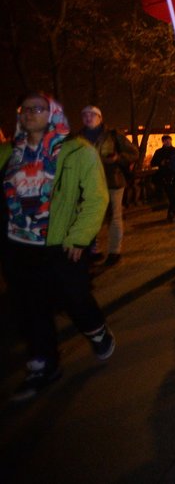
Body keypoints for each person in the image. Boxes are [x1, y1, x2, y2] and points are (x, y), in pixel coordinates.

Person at [2, 93, 113, 403]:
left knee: (75, 298)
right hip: (19, 245)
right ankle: (43, 364)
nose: (29, 113)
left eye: (38, 108)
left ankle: (96, 330)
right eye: (24, 108)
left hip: (62, 243)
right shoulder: (8, 154)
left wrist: (80, 237)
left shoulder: (77, 151)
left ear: (53, 113)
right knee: (30, 308)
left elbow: (95, 197)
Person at [80, 105, 139, 267]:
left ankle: (114, 251)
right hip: (88, 183)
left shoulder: (113, 135)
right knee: (90, 217)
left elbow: (134, 153)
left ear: (100, 118)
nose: (88, 117)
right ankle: (94, 250)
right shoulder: (78, 138)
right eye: (85, 115)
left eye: (92, 114)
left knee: (114, 217)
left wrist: (117, 158)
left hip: (113, 181)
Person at [150, 134, 175, 222]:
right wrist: (161, 162)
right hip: (164, 176)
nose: (167, 142)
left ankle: (172, 213)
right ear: (163, 142)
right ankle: (172, 213)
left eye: (169, 140)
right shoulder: (159, 152)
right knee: (171, 196)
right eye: (165, 140)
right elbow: (153, 163)